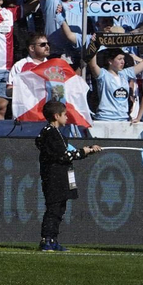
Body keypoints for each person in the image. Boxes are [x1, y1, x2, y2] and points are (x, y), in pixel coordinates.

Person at [36, 97, 101, 252]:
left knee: (59, 209)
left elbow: (67, 152)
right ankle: (46, 240)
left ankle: (53, 239)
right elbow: (63, 156)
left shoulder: (55, 133)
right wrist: (82, 152)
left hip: (60, 176)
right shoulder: (51, 134)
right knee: (53, 208)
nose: (67, 117)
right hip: (54, 177)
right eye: (64, 114)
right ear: (56, 116)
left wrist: (87, 150)